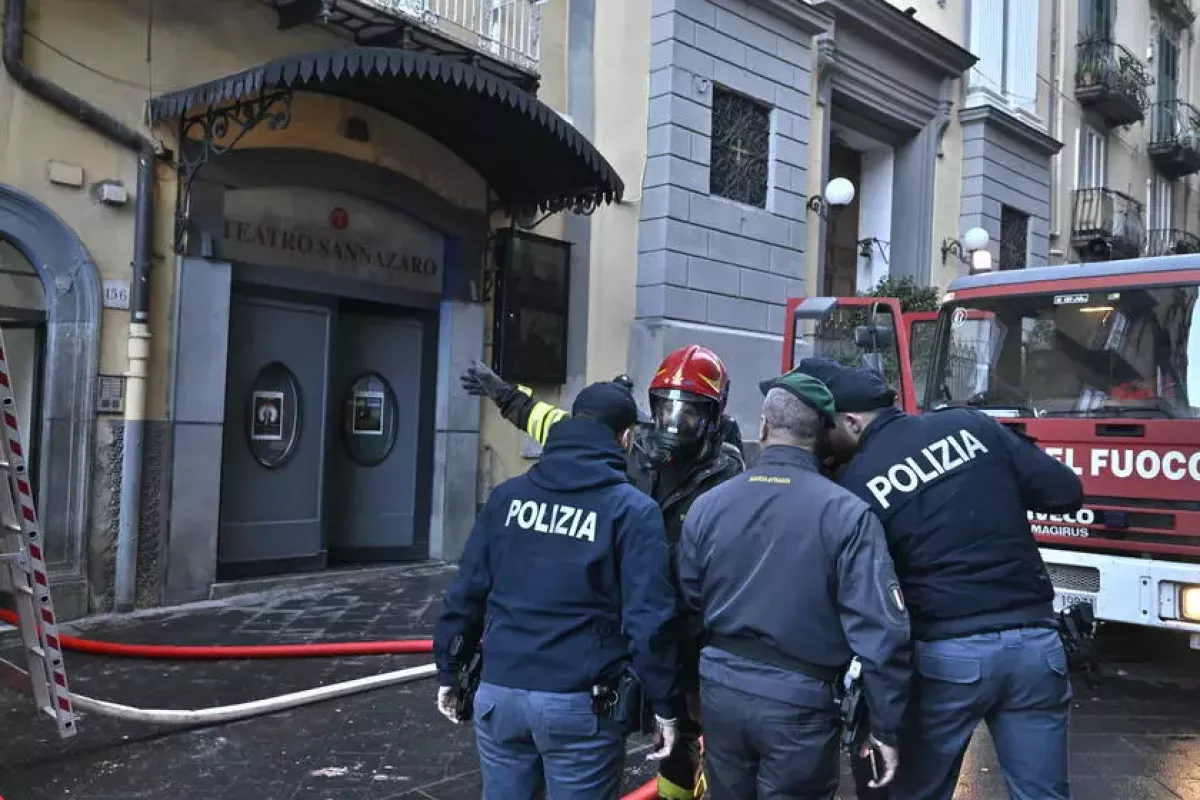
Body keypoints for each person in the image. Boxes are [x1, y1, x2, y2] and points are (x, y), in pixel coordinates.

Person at [462, 348, 745, 799]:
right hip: (614, 629)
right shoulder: (631, 444)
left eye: (689, 413)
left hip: (681, 629)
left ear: (713, 417)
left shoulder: (728, 475)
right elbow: (556, 423)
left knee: (680, 741)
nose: (673, 423)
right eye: (665, 409)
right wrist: (504, 395)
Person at [795, 360, 1085, 800]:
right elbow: (1065, 492)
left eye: (827, 428)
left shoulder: (854, 484)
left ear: (851, 422)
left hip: (947, 658)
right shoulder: (971, 425)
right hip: (1036, 648)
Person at [433, 382, 683, 799]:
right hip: (580, 706)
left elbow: (467, 591)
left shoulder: (507, 497)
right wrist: (665, 705)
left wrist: (449, 667)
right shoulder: (632, 511)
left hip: (500, 694)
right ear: (625, 437)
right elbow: (649, 621)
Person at [677, 370, 912, 799]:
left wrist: (690, 689)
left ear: (764, 427)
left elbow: (687, 608)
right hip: (800, 703)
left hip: (721, 689)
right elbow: (882, 632)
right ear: (822, 437)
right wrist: (886, 727)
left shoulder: (708, 505)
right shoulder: (848, 514)